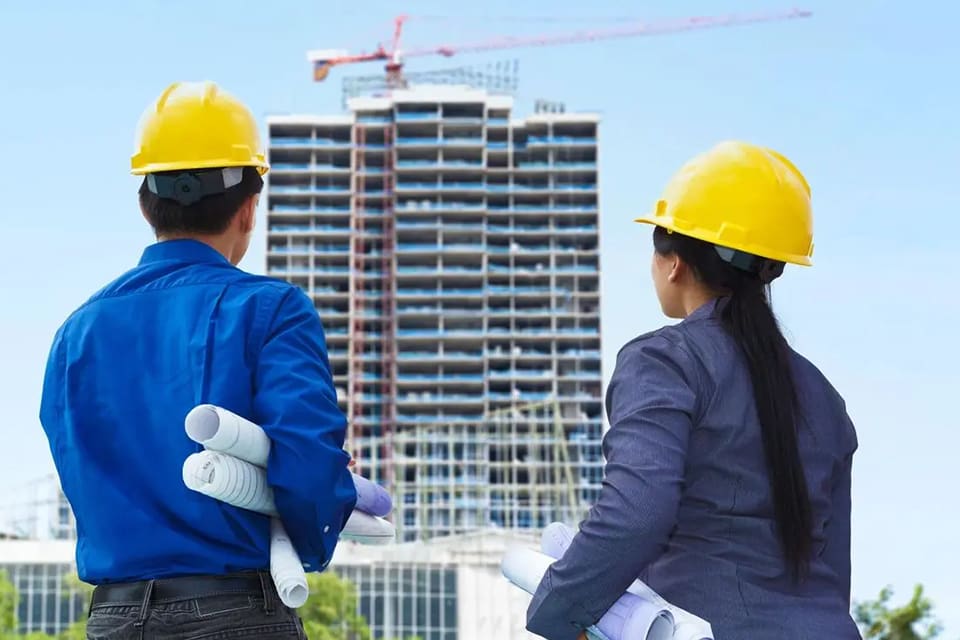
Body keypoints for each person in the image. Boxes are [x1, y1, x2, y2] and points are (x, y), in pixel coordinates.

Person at [39, 81, 357, 639]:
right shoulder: (272, 310)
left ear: (145, 202)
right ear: (250, 208)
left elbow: (81, 473)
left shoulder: (76, 334)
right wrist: (319, 510)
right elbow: (306, 467)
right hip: (234, 613)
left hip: (112, 618)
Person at [526, 141, 861, 639]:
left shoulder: (664, 361)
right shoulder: (823, 397)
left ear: (674, 260)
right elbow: (830, 569)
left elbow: (636, 514)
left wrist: (554, 611)